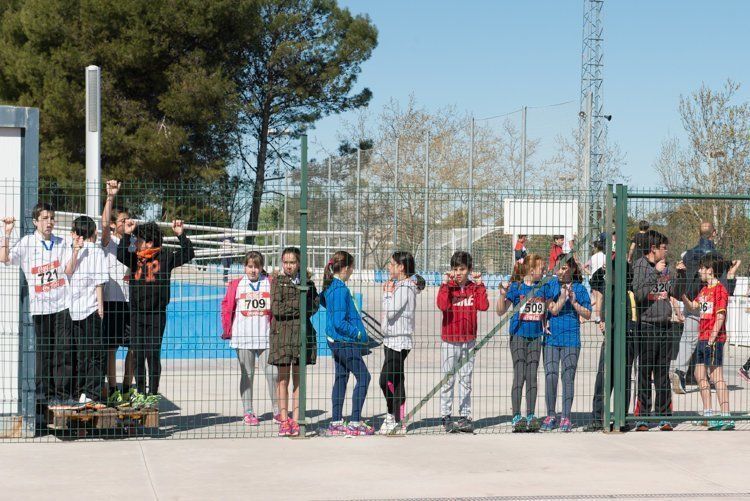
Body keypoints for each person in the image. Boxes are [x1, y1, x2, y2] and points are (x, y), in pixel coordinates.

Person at [1, 204, 74, 408]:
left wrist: (75, 250)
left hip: (62, 304)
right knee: (44, 352)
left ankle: (62, 393)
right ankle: (45, 395)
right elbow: (4, 258)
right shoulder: (27, 243)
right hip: (40, 306)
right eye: (44, 218)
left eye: (52, 217)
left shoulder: (61, 243)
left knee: (63, 350)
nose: (49, 222)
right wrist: (6, 234)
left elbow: (69, 269)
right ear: (35, 222)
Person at [116, 218, 194, 396]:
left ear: (150, 242)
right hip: (136, 314)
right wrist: (127, 234)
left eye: (139, 240)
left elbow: (188, 253)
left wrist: (180, 235)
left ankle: (153, 393)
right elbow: (120, 254)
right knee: (138, 354)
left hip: (157, 314)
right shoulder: (134, 258)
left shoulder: (165, 256)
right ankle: (141, 392)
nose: (136, 244)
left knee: (152, 354)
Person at [671, 222, 738, 394]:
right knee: (712, 337)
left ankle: (680, 370)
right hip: (712, 302)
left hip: (693, 299)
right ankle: (712, 374)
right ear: (713, 233)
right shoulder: (718, 257)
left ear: (699, 233)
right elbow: (723, 284)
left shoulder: (688, 255)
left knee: (689, 338)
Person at [221, 251, 279, 426]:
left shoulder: (269, 283)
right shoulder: (236, 285)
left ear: (262, 267)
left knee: (273, 374)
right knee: (247, 375)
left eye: (257, 266)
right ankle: (248, 412)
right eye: (250, 266)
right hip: (243, 337)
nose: (253, 270)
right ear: (245, 267)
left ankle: (277, 410)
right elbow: (226, 307)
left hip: (265, 337)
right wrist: (227, 330)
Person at [320, 251, 373, 436]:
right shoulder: (340, 289)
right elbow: (338, 322)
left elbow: (324, 301)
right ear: (346, 268)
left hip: (337, 341)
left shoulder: (332, 286)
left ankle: (336, 421)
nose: (353, 270)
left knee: (341, 377)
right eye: (352, 267)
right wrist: (358, 334)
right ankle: (355, 421)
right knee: (364, 378)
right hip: (344, 342)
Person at [437, 251, 489, 433]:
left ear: (469, 270)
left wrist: (481, 284)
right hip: (450, 340)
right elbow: (442, 305)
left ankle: (465, 415)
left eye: (462, 269)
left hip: (469, 340)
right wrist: (445, 285)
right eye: (455, 269)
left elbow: (483, 306)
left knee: (466, 380)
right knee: (448, 379)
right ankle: (445, 415)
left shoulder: (474, 288)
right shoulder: (448, 287)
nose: (458, 273)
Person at [268, 247, 318, 437]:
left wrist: (298, 307)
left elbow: (313, 306)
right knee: (282, 379)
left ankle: (296, 419)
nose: (288, 266)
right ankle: (283, 418)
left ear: (299, 263)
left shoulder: (309, 284)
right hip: (281, 336)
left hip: (301, 336)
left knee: (299, 379)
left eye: (292, 262)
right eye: (285, 262)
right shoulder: (277, 282)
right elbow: (277, 309)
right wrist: (300, 305)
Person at [681, 254, 733, 430]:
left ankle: (726, 416)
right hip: (702, 338)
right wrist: (682, 296)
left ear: (710, 270)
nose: (700, 271)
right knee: (699, 374)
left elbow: (720, 315)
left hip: (714, 339)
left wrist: (712, 338)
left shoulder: (720, 290)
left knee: (716, 376)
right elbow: (694, 307)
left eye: (702, 268)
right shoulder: (704, 290)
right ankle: (708, 413)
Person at [585, 257, 638, 432]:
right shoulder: (609, 288)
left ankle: (620, 418)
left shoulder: (628, 291)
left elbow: (631, 319)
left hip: (625, 340)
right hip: (610, 339)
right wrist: (603, 268)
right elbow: (595, 279)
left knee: (623, 378)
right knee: (603, 378)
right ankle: (598, 418)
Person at [632, 230, 678, 431]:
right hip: (648, 326)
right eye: (663, 248)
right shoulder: (641, 266)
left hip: (666, 325)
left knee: (662, 373)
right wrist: (655, 273)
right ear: (653, 249)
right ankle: (642, 416)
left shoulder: (667, 267)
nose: (666, 252)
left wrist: (681, 275)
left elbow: (674, 292)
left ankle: (664, 415)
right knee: (645, 372)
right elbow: (639, 294)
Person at [541, 254, 591, 432]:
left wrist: (574, 302)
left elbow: (587, 314)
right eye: (558, 267)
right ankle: (551, 414)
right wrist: (562, 298)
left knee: (568, 377)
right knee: (551, 375)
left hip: (571, 338)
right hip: (551, 338)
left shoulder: (580, 288)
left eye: (563, 268)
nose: (560, 271)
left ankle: (566, 417)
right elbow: (551, 310)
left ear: (572, 269)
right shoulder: (550, 285)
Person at [496, 254, 546, 432]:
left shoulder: (542, 288)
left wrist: (545, 324)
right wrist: (502, 296)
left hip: (536, 337)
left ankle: (531, 415)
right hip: (518, 336)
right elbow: (501, 311)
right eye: (541, 268)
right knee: (520, 374)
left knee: (532, 376)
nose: (544, 271)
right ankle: (516, 415)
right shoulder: (516, 288)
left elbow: (545, 308)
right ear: (532, 271)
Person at [378, 251, 425, 435]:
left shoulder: (405, 288)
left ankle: (391, 415)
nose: (389, 267)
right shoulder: (404, 285)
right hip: (390, 339)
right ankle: (398, 420)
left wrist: (387, 294)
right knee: (397, 380)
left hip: (399, 341)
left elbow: (390, 312)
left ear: (401, 267)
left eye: (392, 264)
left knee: (385, 380)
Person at [64, 216, 108, 404]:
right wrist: (101, 306)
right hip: (88, 308)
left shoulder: (85, 250)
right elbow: (99, 283)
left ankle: (82, 392)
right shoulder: (91, 251)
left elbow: (68, 272)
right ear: (93, 232)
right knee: (93, 354)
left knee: (82, 353)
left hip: (78, 308)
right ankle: (91, 393)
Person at [101, 180, 135, 398]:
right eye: (122, 220)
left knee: (133, 347)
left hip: (130, 302)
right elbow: (103, 224)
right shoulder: (108, 241)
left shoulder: (133, 243)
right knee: (111, 348)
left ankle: (126, 387)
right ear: (115, 224)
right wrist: (110, 196)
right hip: (112, 301)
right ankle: (112, 388)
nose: (126, 223)